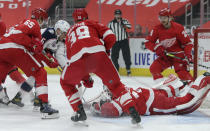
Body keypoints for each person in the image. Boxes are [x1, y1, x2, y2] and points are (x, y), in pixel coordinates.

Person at [61, 8, 141, 124]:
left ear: (74, 20)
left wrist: (85, 78)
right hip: (98, 54)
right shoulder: (92, 23)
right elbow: (111, 37)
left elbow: (72, 58)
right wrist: (106, 50)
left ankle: (79, 112)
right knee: (116, 85)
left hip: (77, 59)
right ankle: (132, 110)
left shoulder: (69, 32)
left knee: (66, 82)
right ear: (86, 17)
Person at [0, 8, 59, 119]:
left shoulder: (21, 23)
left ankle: (8, 96)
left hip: (1, 48)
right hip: (15, 48)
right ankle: (44, 106)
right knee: (40, 72)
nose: (43, 23)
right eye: (44, 20)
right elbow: (36, 50)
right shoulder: (35, 24)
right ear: (40, 18)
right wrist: (50, 61)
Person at [90, 72, 210, 117]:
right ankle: (180, 84)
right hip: (149, 93)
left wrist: (97, 106)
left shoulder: (119, 100)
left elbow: (113, 111)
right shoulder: (122, 88)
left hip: (153, 103)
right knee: (164, 91)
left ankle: (204, 79)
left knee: (185, 104)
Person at [145, 8, 193, 84]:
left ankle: (194, 89)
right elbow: (148, 42)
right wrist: (157, 48)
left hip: (178, 56)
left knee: (183, 74)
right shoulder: (157, 29)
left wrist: (188, 55)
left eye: (164, 18)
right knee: (154, 69)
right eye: (160, 18)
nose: (162, 20)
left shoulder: (178, 28)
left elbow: (188, 43)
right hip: (165, 55)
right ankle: (162, 88)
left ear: (170, 17)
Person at [108, 9, 132, 76]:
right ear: (114, 15)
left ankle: (128, 69)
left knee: (126, 55)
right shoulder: (111, 23)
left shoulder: (125, 21)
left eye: (119, 14)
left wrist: (121, 22)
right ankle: (116, 70)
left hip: (124, 40)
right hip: (115, 42)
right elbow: (108, 31)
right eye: (117, 14)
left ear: (121, 15)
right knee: (114, 57)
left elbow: (130, 26)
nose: (118, 16)